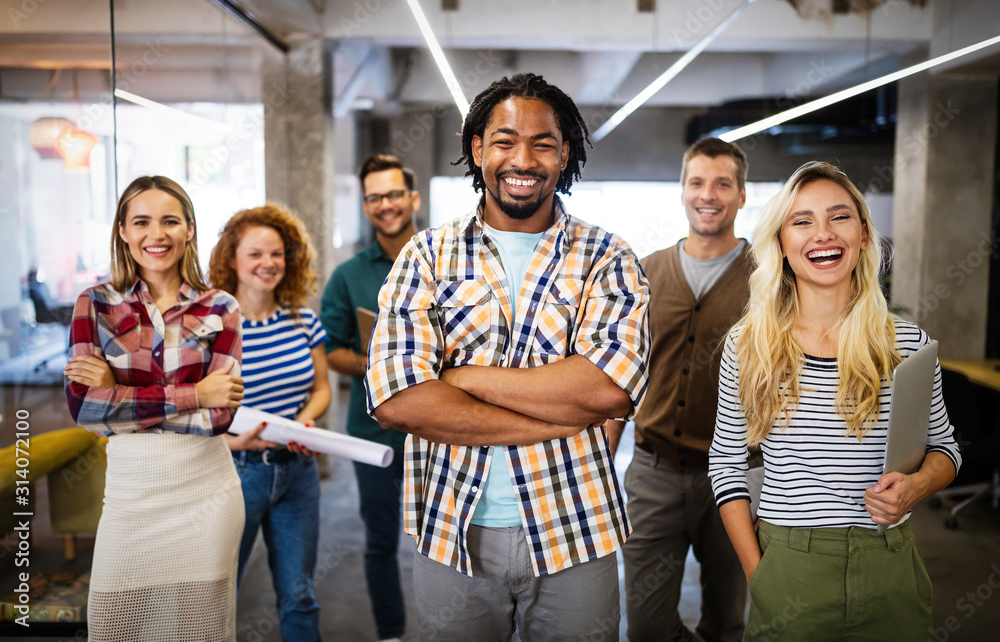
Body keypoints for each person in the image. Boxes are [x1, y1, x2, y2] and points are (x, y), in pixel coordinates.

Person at [364, 72, 650, 641]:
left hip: (578, 529)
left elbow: (607, 391)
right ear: (477, 148)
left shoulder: (608, 256)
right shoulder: (427, 256)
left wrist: (463, 376)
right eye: (504, 140)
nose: (523, 158)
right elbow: (398, 400)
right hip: (452, 529)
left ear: (564, 153)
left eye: (543, 143)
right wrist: (559, 415)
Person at [708, 161, 962, 640]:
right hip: (789, 565)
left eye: (839, 217)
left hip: (891, 566)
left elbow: (945, 449)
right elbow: (725, 463)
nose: (822, 234)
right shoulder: (749, 346)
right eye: (801, 221)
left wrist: (917, 486)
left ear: (864, 235)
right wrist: (758, 572)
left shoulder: (907, 343)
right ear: (781, 245)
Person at [64, 175, 245, 642]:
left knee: (198, 630)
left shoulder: (220, 307)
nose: (155, 234)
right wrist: (193, 394)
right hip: (130, 498)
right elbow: (84, 408)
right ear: (123, 230)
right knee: (112, 626)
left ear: (189, 229)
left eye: (170, 221)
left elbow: (219, 416)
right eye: (141, 222)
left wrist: (118, 393)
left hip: (206, 496)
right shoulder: (95, 304)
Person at [608, 138, 752, 642]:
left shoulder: (772, 281)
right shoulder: (645, 274)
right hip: (653, 474)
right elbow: (619, 378)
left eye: (722, 184)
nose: (708, 194)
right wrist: (604, 461)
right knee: (646, 628)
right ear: (682, 190)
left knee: (727, 623)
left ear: (741, 195)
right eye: (697, 182)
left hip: (737, 477)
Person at [209, 204, 331, 642]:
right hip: (233, 474)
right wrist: (225, 443)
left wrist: (304, 420)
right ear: (232, 260)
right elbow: (190, 404)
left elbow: (321, 388)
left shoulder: (303, 320)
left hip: (297, 473)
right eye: (256, 254)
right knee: (218, 596)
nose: (268, 264)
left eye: (277, 254)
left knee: (299, 597)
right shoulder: (211, 328)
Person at [319, 153, 419, 642]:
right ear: (365, 206)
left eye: (394, 193)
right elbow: (332, 351)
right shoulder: (348, 275)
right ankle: (392, 634)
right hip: (372, 434)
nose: (386, 205)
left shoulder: (447, 260)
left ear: (413, 198)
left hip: (441, 434)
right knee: (380, 542)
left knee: (444, 543)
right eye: (374, 197)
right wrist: (373, 365)